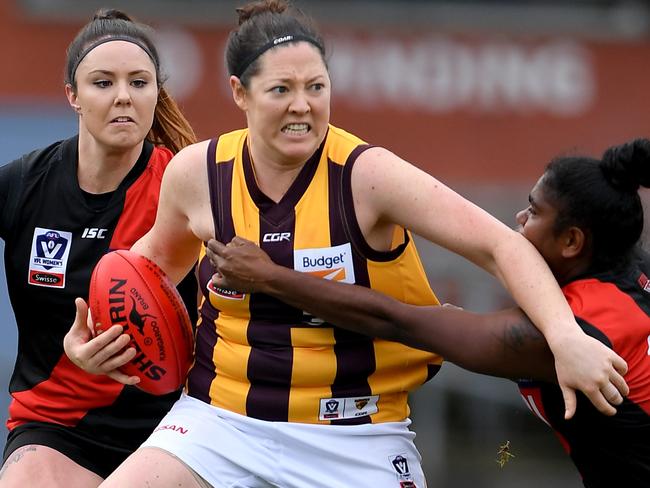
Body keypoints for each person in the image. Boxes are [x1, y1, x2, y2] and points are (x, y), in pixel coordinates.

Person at [65, 1, 627, 486]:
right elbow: (144, 271)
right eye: (281, 90)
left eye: (316, 87)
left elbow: (501, 247)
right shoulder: (197, 173)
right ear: (239, 92)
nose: (302, 106)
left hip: (357, 431)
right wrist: (91, 336)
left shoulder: (368, 175)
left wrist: (565, 336)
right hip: (219, 419)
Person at [207, 138, 650, 487]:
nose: (518, 219)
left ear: (573, 242)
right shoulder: (632, 272)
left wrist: (269, 277)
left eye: (533, 212)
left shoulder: (571, 333)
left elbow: (396, 320)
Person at [0, 9, 198, 488]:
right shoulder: (27, 183)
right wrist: (77, 353)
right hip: (55, 424)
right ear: (73, 95)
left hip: (177, 426)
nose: (123, 97)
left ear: (156, 92)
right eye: (103, 83)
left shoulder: (189, 183)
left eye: (139, 82)